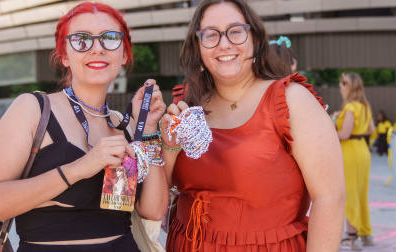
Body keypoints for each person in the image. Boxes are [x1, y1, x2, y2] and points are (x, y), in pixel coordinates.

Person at [0, 2, 168, 251]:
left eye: (110, 38)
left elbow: (154, 210)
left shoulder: (124, 125)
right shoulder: (33, 110)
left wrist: (148, 130)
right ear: (64, 55)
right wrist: (79, 168)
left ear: (125, 54)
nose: (97, 49)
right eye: (81, 40)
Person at [160, 0, 345, 251]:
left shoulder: (292, 101)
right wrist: (167, 146)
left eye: (235, 31)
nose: (224, 44)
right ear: (198, 46)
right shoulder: (185, 104)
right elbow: (158, 198)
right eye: (211, 34)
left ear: (255, 39)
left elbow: (329, 199)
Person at [331, 72, 375, 250]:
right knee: (360, 193)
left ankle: (351, 237)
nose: (340, 88)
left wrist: (333, 121)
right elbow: (370, 129)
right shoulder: (364, 106)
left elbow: (343, 135)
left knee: (349, 193)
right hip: (362, 150)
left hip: (350, 152)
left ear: (349, 87)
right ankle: (365, 234)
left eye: (342, 84)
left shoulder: (350, 108)